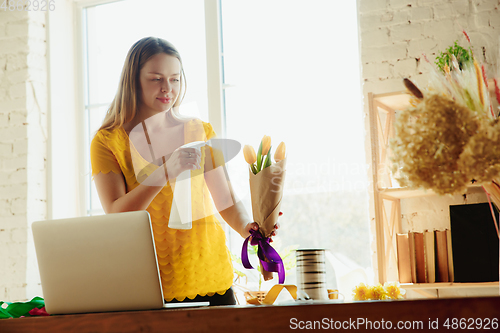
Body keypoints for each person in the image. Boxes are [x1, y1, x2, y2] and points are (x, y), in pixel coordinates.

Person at [90, 37, 277, 306]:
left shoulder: (199, 131)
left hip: (211, 278)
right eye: (156, 79)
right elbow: (117, 214)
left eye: (175, 79)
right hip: (148, 285)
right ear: (133, 80)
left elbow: (227, 202)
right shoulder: (107, 141)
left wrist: (249, 229)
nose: (168, 88)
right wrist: (166, 171)